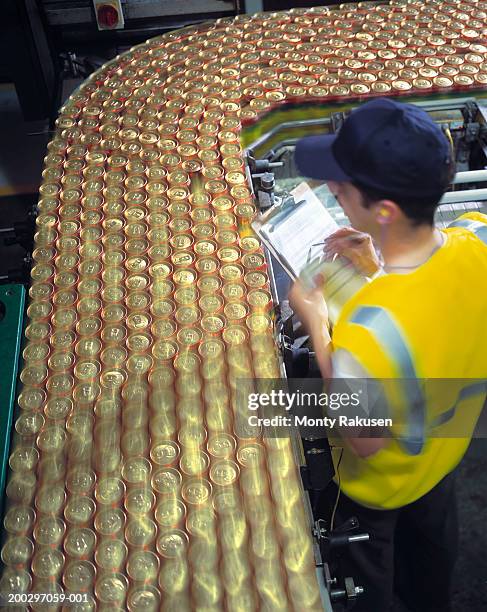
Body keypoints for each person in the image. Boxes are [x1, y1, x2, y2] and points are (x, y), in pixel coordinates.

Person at [289, 97, 487, 611]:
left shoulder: (368, 329)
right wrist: (379, 264)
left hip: (379, 489)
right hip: (441, 462)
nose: (333, 187)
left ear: (384, 210)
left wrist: (316, 322)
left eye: (343, 184)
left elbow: (363, 441)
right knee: (431, 569)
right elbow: (438, 313)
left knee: (367, 586)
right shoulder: (476, 237)